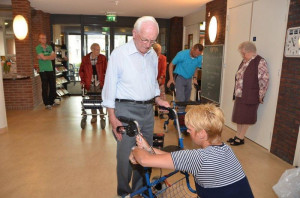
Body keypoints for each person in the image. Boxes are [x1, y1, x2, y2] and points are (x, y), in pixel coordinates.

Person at [102, 16, 170, 197]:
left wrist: (158, 99)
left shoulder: (153, 55)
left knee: (145, 153)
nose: (148, 45)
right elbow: (109, 87)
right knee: (125, 157)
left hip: (148, 111)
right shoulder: (119, 54)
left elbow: (153, 83)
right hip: (125, 110)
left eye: (152, 40)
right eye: (144, 40)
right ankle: (124, 193)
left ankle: (139, 191)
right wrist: (112, 117)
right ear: (134, 34)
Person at [130, 103, 254, 198]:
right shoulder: (226, 150)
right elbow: (175, 159)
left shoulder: (199, 158)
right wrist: (148, 148)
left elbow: (144, 160)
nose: (187, 131)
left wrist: (135, 149)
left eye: (190, 128)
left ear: (201, 134)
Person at [227, 41, 269, 146]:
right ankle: (237, 135)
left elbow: (264, 80)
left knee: (246, 117)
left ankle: (241, 138)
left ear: (251, 52)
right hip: (240, 94)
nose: (242, 55)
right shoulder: (244, 61)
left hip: (251, 95)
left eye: (243, 53)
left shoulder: (260, 61)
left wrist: (261, 95)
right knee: (239, 117)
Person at [166, 44, 203, 112]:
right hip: (179, 77)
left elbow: (196, 68)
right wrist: (171, 79)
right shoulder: (182, 54)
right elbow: (171, 65)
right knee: (181, 99)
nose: (196, 56)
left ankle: (180, 113)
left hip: (189, 78)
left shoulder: (199, 57)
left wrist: (195, 78)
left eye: (198, 55)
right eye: (195, 54)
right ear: (192, 49)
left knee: (186, 100)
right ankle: (181, 117)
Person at [79, 43, 107, 123]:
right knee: (92, 99)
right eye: (97, 49)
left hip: (99, 81)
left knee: (99, 99)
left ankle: (102, 116)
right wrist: (83, 81)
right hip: (89, 81)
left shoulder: (103, 58)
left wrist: (106, 81)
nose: (99, 51)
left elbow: (107, 70)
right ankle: (94, 117)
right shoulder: (85, 59)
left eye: (99, 49)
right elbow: (82, 71)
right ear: (92, 50)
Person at [36, 33, 57, 110]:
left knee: (52, 86)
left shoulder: (49, 47)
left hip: (50, 69)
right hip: (43, 70)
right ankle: (47, 103)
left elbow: (53, 57)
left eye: (45, 38)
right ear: (39, 39)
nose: (44, 40)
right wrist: (48, 57)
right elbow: (46, 58)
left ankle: (51, 101)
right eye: (42, 38)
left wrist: (44, 57)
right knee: (45, 87)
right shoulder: (38, 48)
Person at [153, 43, 167, 118]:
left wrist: (161, 77)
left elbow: (163, 69)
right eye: (158, 51)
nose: (159, 52)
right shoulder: (150, 57)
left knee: (161, 95)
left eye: (160, 50)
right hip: (152, 80)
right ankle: (155, 110)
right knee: (154, 95)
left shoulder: (163, 58)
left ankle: (162, 112)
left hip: (161, 79)